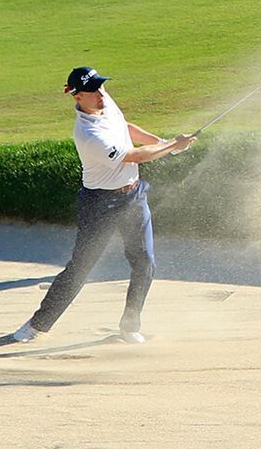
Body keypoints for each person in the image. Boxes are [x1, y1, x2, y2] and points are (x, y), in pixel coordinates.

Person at [13, 67, 194, 344]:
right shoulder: (88, 134)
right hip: (101, 204)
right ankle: (37, 324)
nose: (100, 94)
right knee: (81, 268)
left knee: (145, 261)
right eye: (93, 91)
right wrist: (171, 146)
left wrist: (160, 142)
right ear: (77, 97)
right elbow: (133, 156)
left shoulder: (104, 102)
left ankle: (129, 326)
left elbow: (125, 127)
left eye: (101, 87)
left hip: (134, 196)